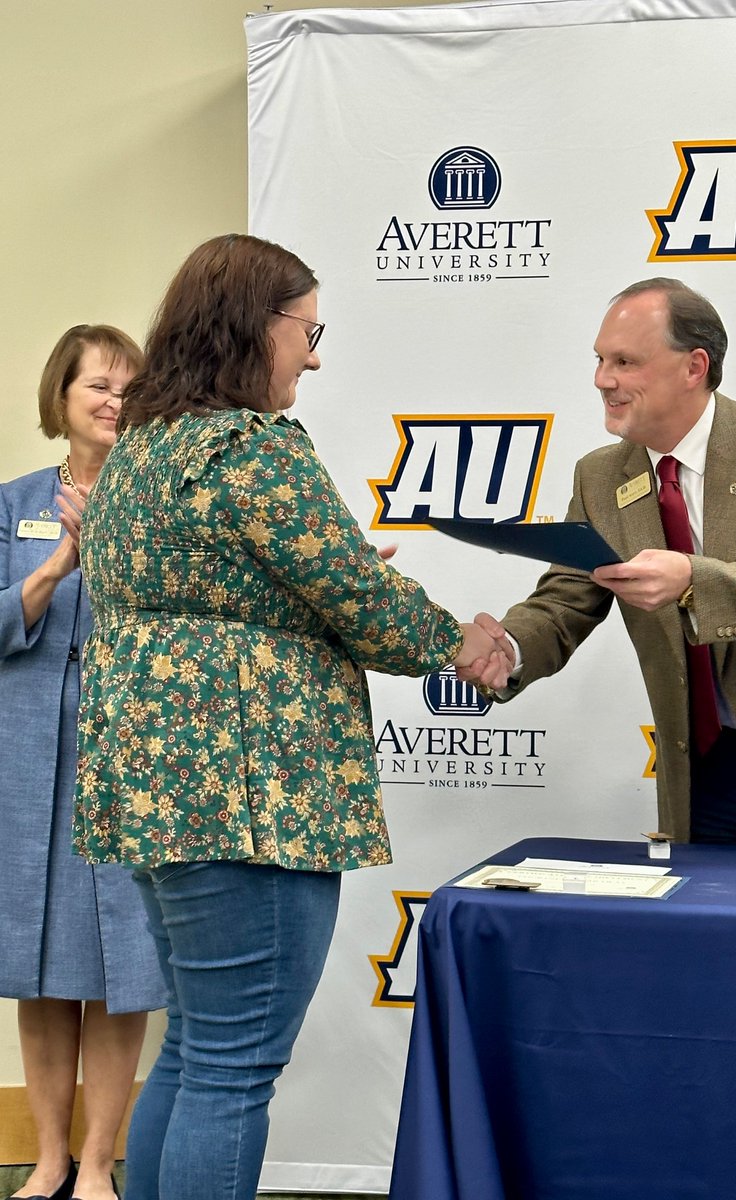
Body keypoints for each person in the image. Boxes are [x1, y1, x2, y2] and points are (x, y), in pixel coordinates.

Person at [71, 233, 506, 1200]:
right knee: (233, 1070)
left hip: (154, 787)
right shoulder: (253, 447)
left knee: (193, 1052)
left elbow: (229, 583)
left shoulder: (140, 447)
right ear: (256, 325)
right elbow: (356, 597)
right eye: (308, 331)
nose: (315, 354)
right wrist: (463, 645)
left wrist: (328, 593)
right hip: (249, 790)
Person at [462, 277, 736, 849]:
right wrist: (509, 649)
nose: (602, 379)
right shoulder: (598, 476)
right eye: (599, 359)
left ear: (694, 366)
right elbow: (567, 598)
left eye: (625, 361)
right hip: (702, 780)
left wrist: (693, 579)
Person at [0, 326, 167, 1200]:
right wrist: (62, 560)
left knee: (119, 966)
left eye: (132, 387)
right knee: (39, 964)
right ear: (60, 397)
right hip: (28, 758)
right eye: (98, 385)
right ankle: (50, 1159)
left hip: (130, 753)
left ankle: (101, 1161)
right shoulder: (12, 502)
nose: (115, 402)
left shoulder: (162, 498)